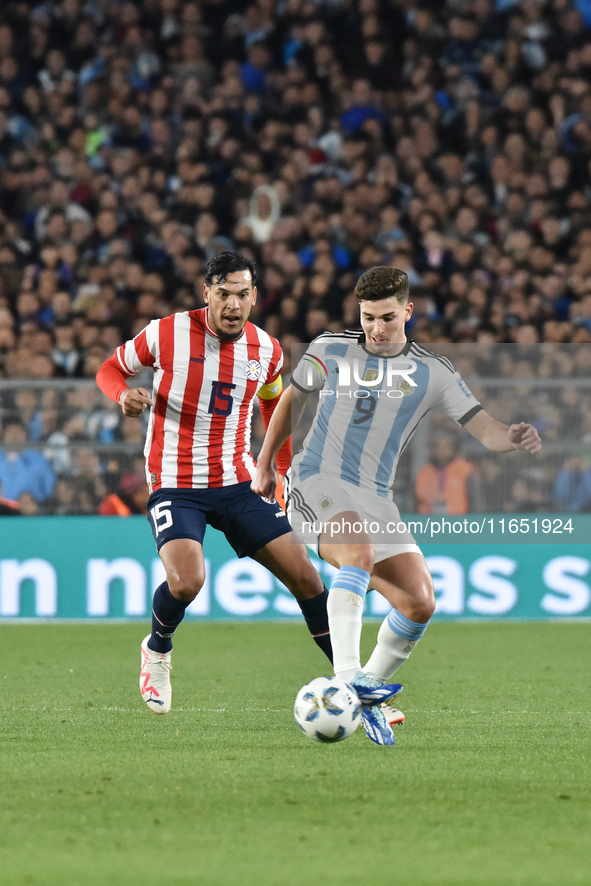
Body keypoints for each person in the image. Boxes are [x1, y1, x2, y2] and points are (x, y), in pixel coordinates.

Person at [252, 266, 542, 745]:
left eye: (387, 317)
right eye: (368, 317)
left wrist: (510, 436)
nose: (376, 329)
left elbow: (485, 429)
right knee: (358, 554)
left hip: (375, 498)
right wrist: (266, 464)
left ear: (408, 311)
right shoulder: (329, 349)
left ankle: (367, 694)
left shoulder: (433, 372)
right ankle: (349, 681)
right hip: (315, 480)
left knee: (419, 601)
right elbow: (292, 399)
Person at [96, 252, 334, 716]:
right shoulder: (164, 334)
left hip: (238, 482)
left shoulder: (267, 351)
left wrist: (278, 471)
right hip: (175, 483)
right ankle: (157, 649)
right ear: (206, 292)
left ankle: (355, 680)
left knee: (308, 579)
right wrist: (123, 394)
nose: (232, 304)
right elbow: (110, 369)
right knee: (186, 583)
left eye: (241, 294)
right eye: (223, 293)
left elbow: (274, 410)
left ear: (254, 297)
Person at [415, 430, 481, 514]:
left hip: (458, 523)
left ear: (453, 448)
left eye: (446, 446)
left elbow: (475, 502)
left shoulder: (465, 470)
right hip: (427, 523)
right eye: (438, 446)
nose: (442, 450)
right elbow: (414, 501)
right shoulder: (423, 472)